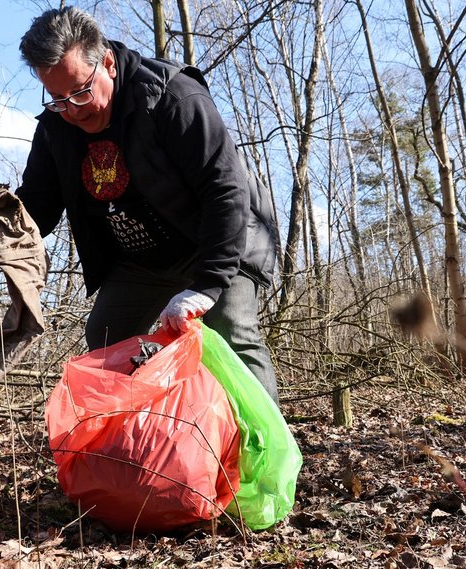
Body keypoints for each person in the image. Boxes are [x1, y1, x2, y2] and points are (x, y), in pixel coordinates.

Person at [15, 6, 280, 402]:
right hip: (143, 258)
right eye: (57, 98)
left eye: (81, 92)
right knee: (107, 339)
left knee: (231, 331)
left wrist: (207, 285)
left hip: (216, 238)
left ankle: (267, 441)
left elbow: (224, 190)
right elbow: (37, 205)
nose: (72, 109)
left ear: (107, 63)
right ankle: (140, 436)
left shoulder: (171, 96)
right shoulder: (56, 128)